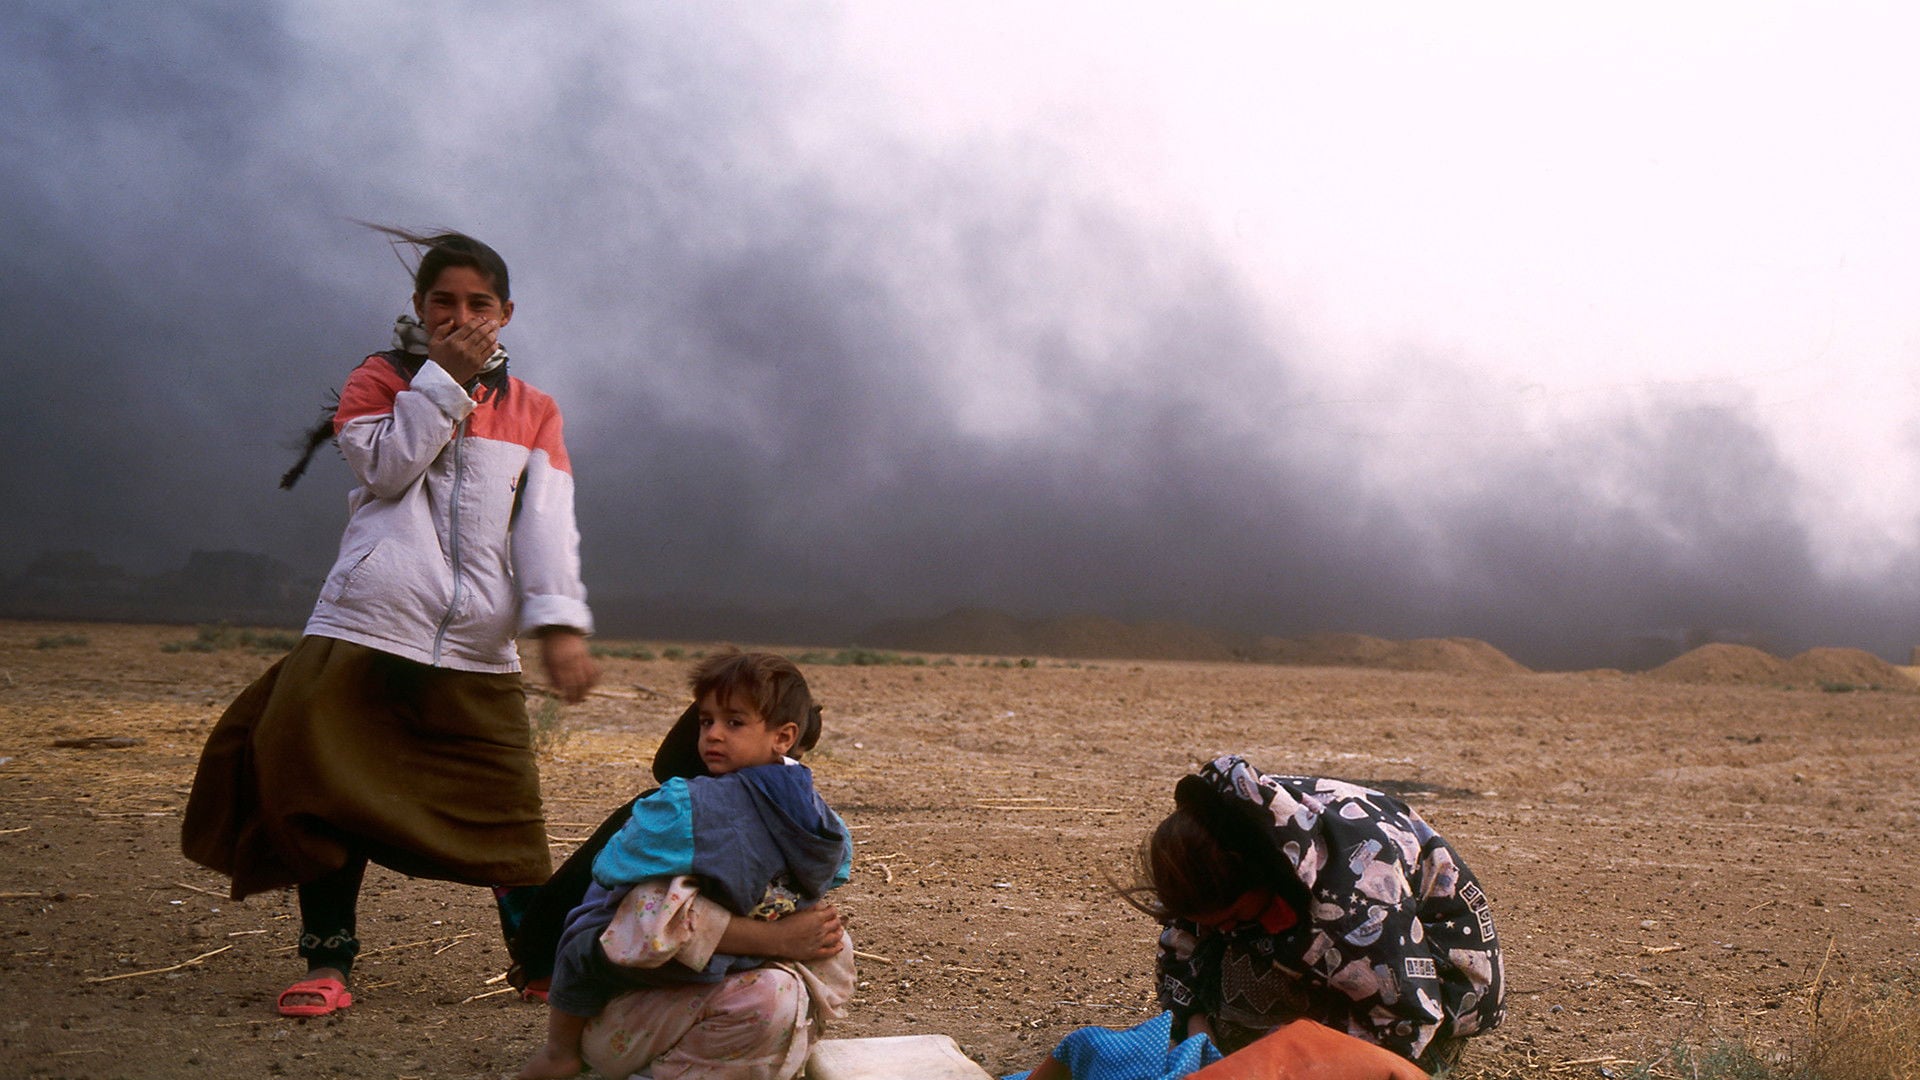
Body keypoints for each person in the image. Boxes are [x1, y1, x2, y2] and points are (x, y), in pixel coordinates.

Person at [180, 226, 599, 1019]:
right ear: (418, 307)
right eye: (444, 301)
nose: (459, 314)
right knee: (324, 788)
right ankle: (328, 960)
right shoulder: (376, 380)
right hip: (368, 624)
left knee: (506, 807)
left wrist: (559, 623)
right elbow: (386, 468)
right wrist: (443, 381)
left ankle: (540, 961)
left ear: (506, 313)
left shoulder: (535, 410)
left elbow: (545, 523)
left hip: (478, 640)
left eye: (479, 303)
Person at [1023, 754, 1503, 1080]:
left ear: (1270, 879)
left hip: (1438, 985)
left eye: (1234, 917)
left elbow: (1402, 1030)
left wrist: (1299, 1059)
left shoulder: (1357, 897)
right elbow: (1184, 959)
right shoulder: (1225, 850)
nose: (1221, 931)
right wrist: (1194, 1033)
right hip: (1312, 928)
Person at [518, 649, 854, 1080]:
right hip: (621, 1001)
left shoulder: (786, 813)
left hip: (693, 992)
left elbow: (612, 863)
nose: (714, 734)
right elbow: (611, 882)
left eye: (733, 723)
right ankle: (564, 1052)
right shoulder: (694, 808)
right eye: (706, 721)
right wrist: (772, 928)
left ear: (784, 737)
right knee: (655, 904)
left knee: (816, 945)